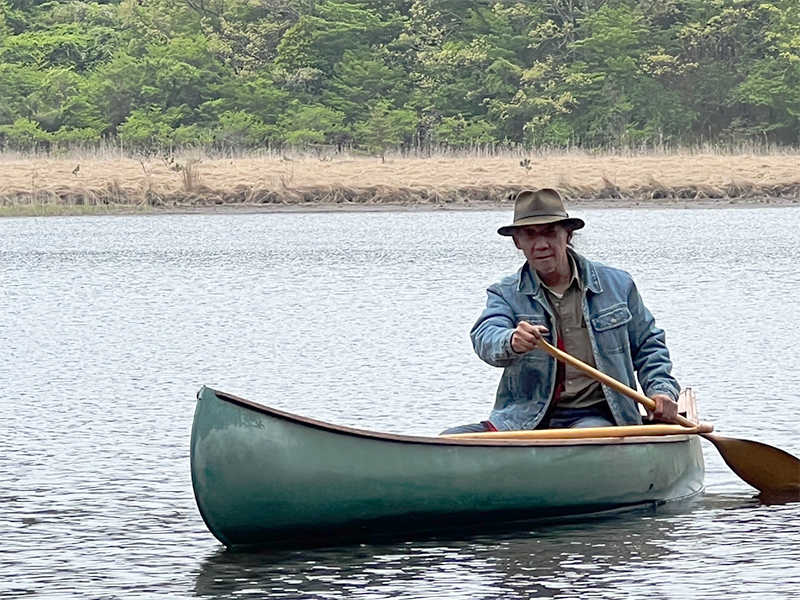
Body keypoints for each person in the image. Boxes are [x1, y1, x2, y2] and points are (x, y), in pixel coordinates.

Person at [442, 188, 679, 434]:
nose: (541, 244)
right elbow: (486, 336)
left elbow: (649, 345)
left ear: (568, 235)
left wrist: (660, 390)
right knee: (449, 440)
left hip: (598, 416)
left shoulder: (618, 285)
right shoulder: (505, 293)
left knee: (585, 438)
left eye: (550, 233)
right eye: (530, 235)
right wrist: (511, 340)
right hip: (523, 419)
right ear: (517, 242)